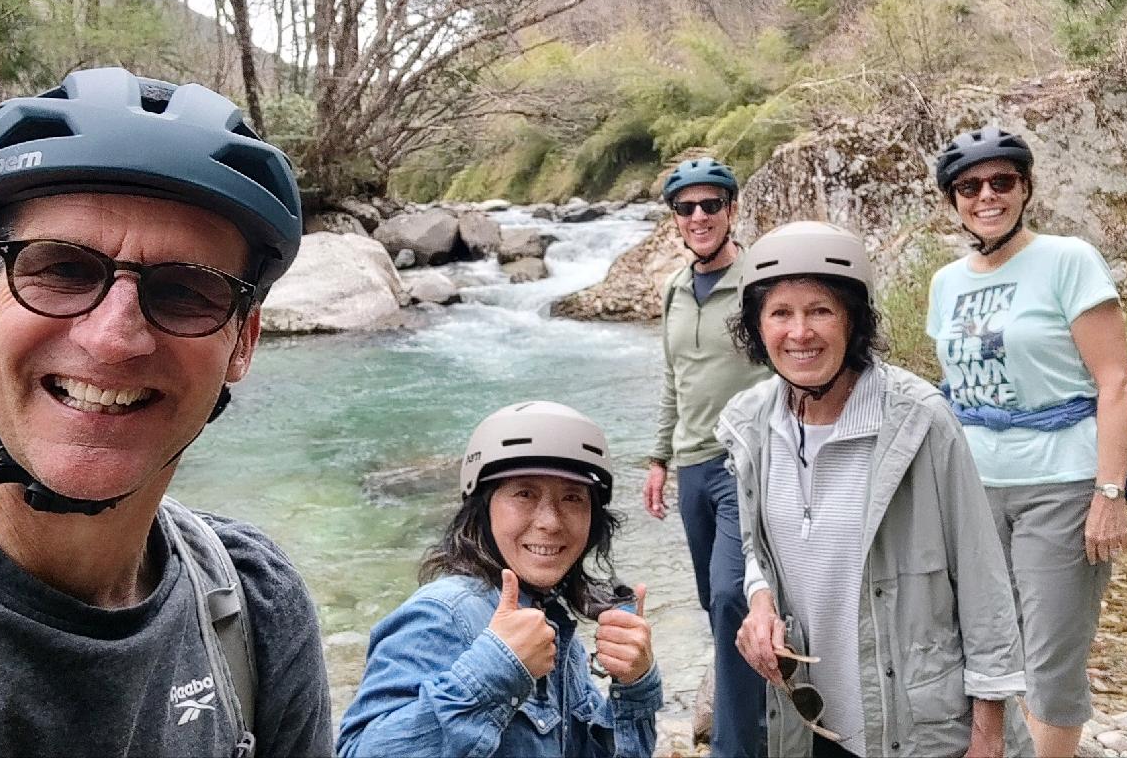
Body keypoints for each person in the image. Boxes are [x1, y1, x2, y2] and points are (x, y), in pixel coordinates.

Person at [0, 68, 332, 756]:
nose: (113, 338)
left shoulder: (257, 607)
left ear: (242, 343)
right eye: (62, 270)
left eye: (187, 291)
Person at [720, 221, 1033, 758]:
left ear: (852, 319)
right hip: (815, 726)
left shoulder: (918, 422)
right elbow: (760, 548)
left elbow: (983, 581)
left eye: (820, 310)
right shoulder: (751, 425)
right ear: (757, 326)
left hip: (922, 729)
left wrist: (989, 735)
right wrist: (760, 601)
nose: (799, 333)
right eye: (779, 313)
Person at [927, 126, 1127, 758]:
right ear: (953, 200)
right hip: (975, 488)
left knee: (1051, 656)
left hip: (1061, 483)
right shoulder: (945, 283)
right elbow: (950, 396)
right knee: (991, 647)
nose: (986, 195)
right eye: (969, 186)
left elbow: (1115, 380)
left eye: (1002, 181)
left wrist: (1109, 493)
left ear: (1025, 187)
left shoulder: (1068, 259)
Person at [338, 401, 662, 758]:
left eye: (572, 497)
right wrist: (498, 668)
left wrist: (634, 686)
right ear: (483, 505)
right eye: (525, 494)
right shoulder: (441, 614)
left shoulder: (552, 623)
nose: (551, 522)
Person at [642, 156, 768, 758]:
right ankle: (767, 701)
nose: (698, 216)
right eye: (686, 207)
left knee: (729, 596)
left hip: (745, 462)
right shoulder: (673, 288)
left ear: (731, 210)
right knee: (713, 604)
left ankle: (735, 745)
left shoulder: (759, 281)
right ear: (675, 219)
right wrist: (658, 459)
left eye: (710, 205)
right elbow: (675, 377)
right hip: (691, 466)